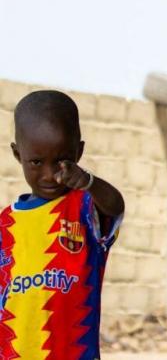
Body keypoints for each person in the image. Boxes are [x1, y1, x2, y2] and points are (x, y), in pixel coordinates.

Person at [0, 90, 124, 358]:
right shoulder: (5, 224)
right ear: (17, 154)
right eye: (36, 162)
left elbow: (115, 206)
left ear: (78, 152)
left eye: (61, 161)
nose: (50, 175)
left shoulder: (86, 209)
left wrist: (89, 182)